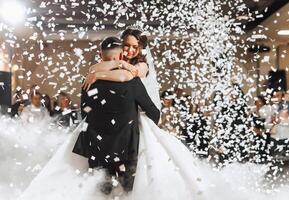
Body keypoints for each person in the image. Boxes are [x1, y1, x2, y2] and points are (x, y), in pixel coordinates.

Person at [19, 28, 203, 200]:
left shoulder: (140, 66)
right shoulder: (112, 68)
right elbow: (107, 74)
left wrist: (101, 72)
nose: (130, 50)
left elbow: (128, 76)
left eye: (134, 47)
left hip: (120, 125)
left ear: (140, 49)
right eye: (127, 46)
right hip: (123, 130)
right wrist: (104, 69)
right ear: (121, 47)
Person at [73, 37, 160, 193]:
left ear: (101, 55)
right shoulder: (132, 81)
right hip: (126, 149)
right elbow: (153, 112)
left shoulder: (88, 81)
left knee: (101, 193)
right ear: (121, 57)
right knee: (127, 193)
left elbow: (84, 111)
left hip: (97, 149)